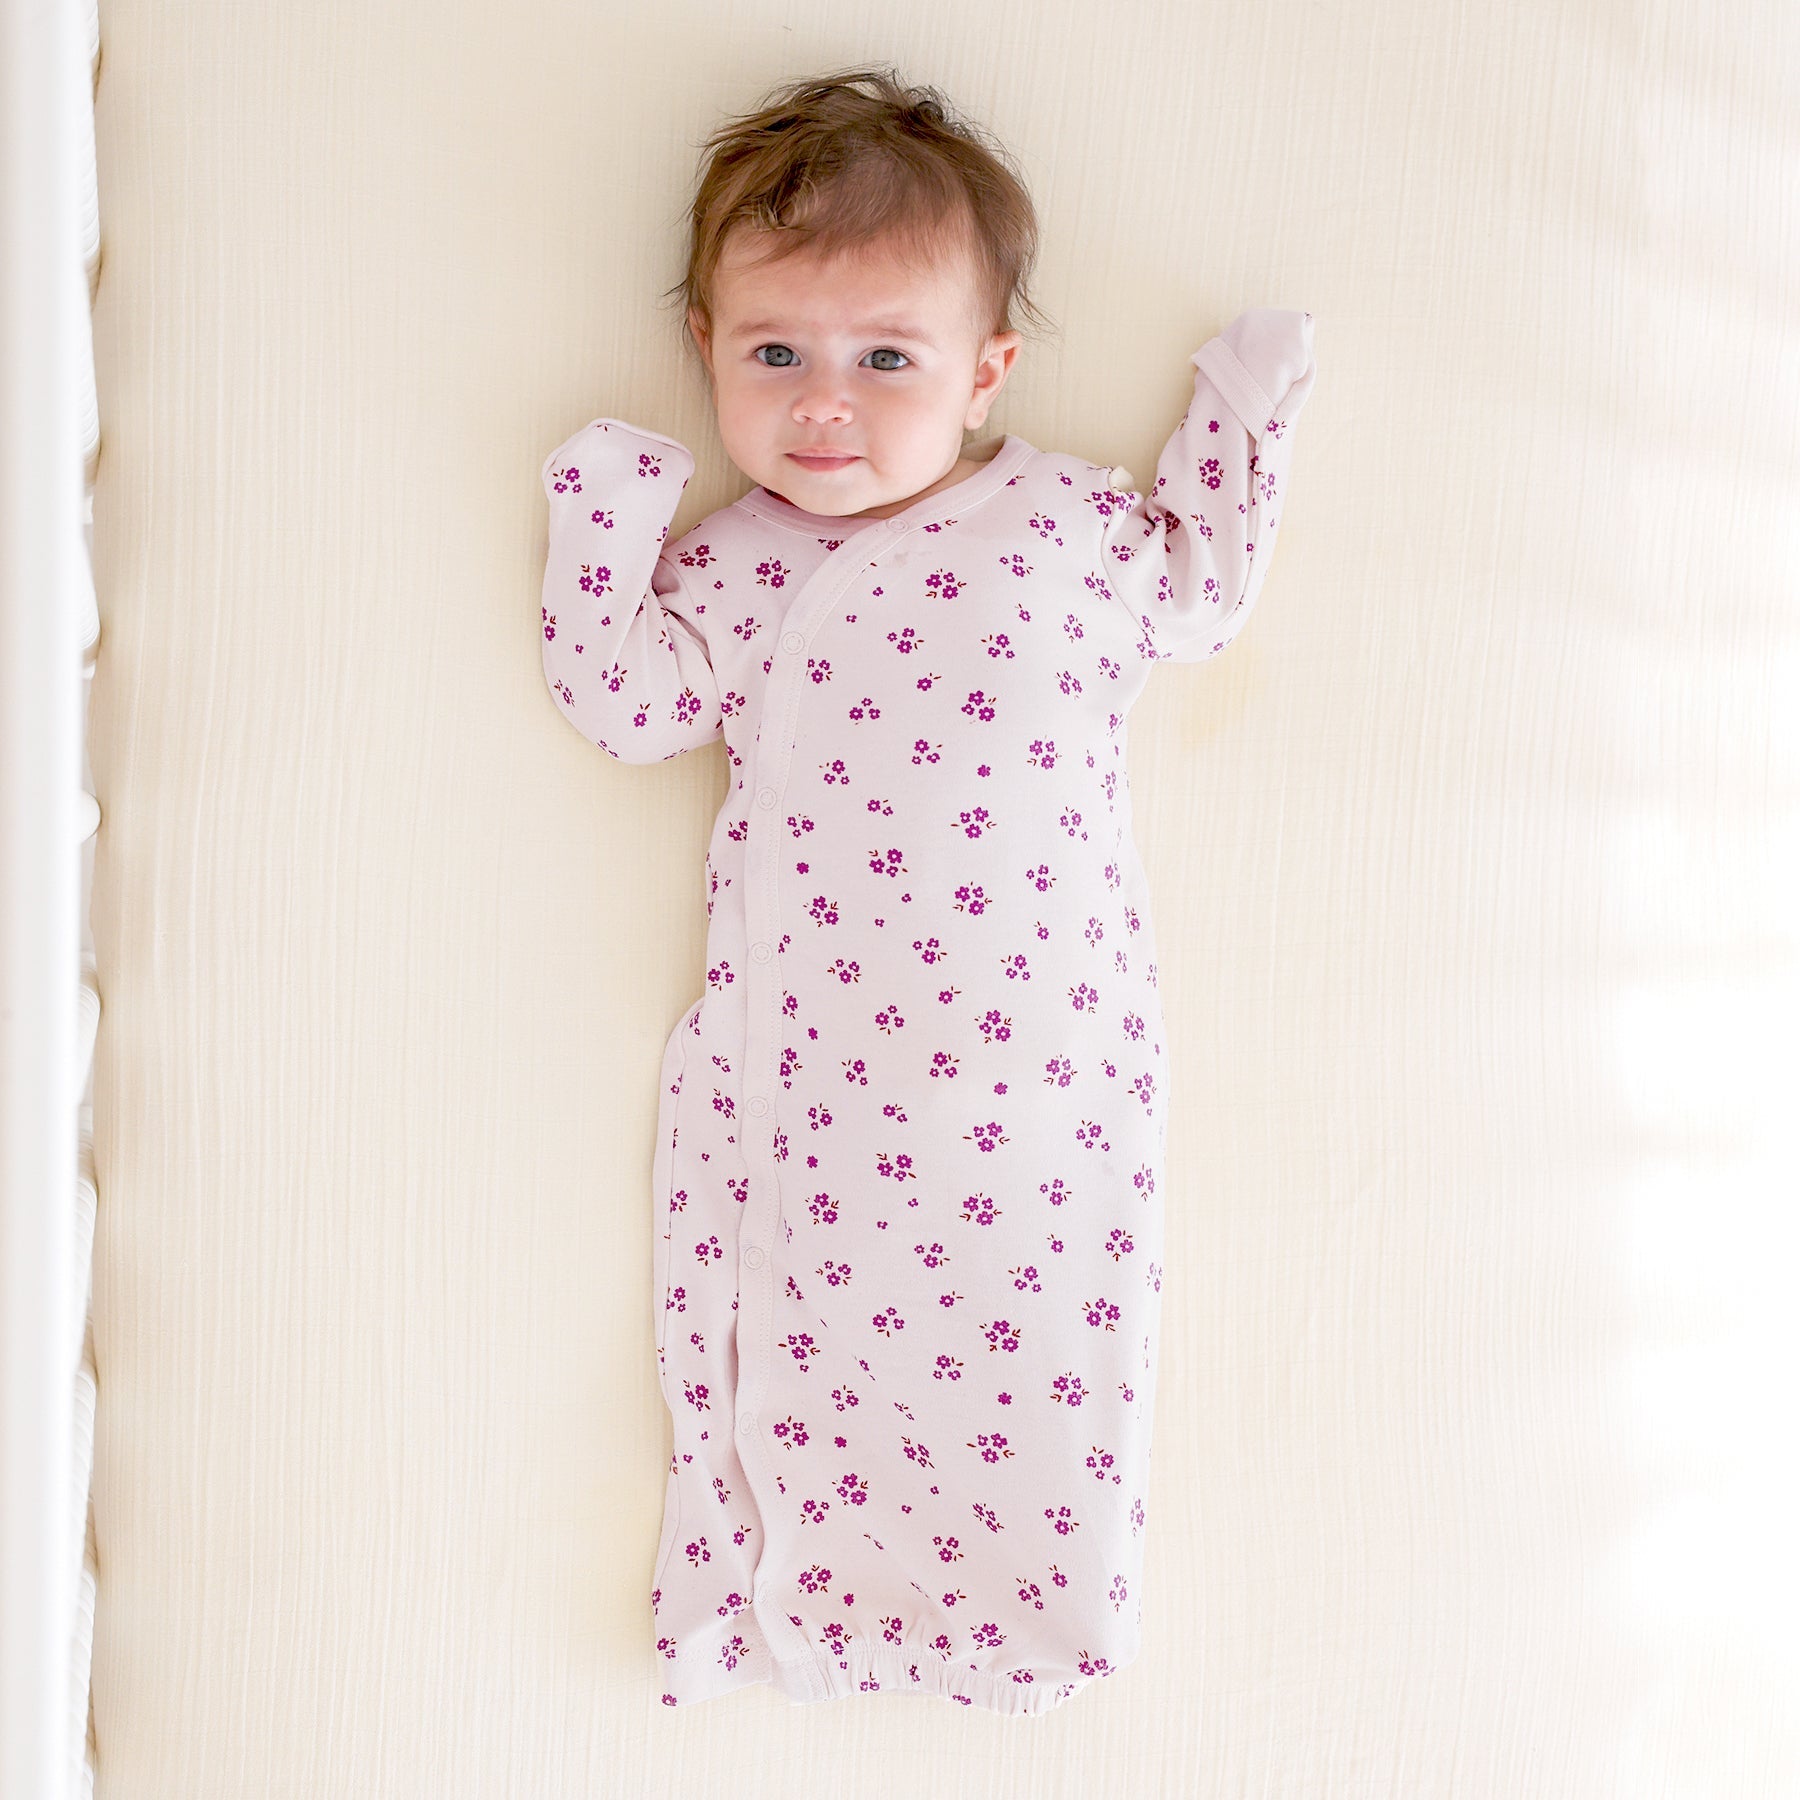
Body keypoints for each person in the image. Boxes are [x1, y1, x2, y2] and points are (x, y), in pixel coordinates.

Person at [537, 64, 1318, 1715]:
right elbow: (630, 706)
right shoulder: (737, 568)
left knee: (1049, 1334)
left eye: (886, 358)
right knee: (802, 1331)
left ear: (986, 375)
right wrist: (601, 527)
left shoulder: (1061, 528)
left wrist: (1243, 415)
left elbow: (1200, 591)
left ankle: (1037, 1617)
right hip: (817, 1075)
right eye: (777, 356)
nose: (827, 405)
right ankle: (783, 1601)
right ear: (707, 352)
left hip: (1044, 1074)